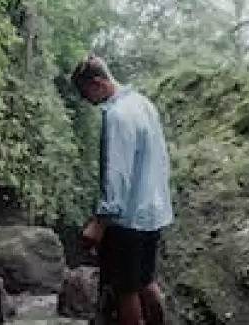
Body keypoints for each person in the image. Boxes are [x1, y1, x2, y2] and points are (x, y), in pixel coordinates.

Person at [71, 54, 173, 325]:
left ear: (97, 83)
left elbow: (117, 174)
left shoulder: (116, 116)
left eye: (84, 93)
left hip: (127, 219)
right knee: (145, 282)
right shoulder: (144, 104)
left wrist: (99, 223)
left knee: (125, 290)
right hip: (153, 212)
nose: (85, 100)